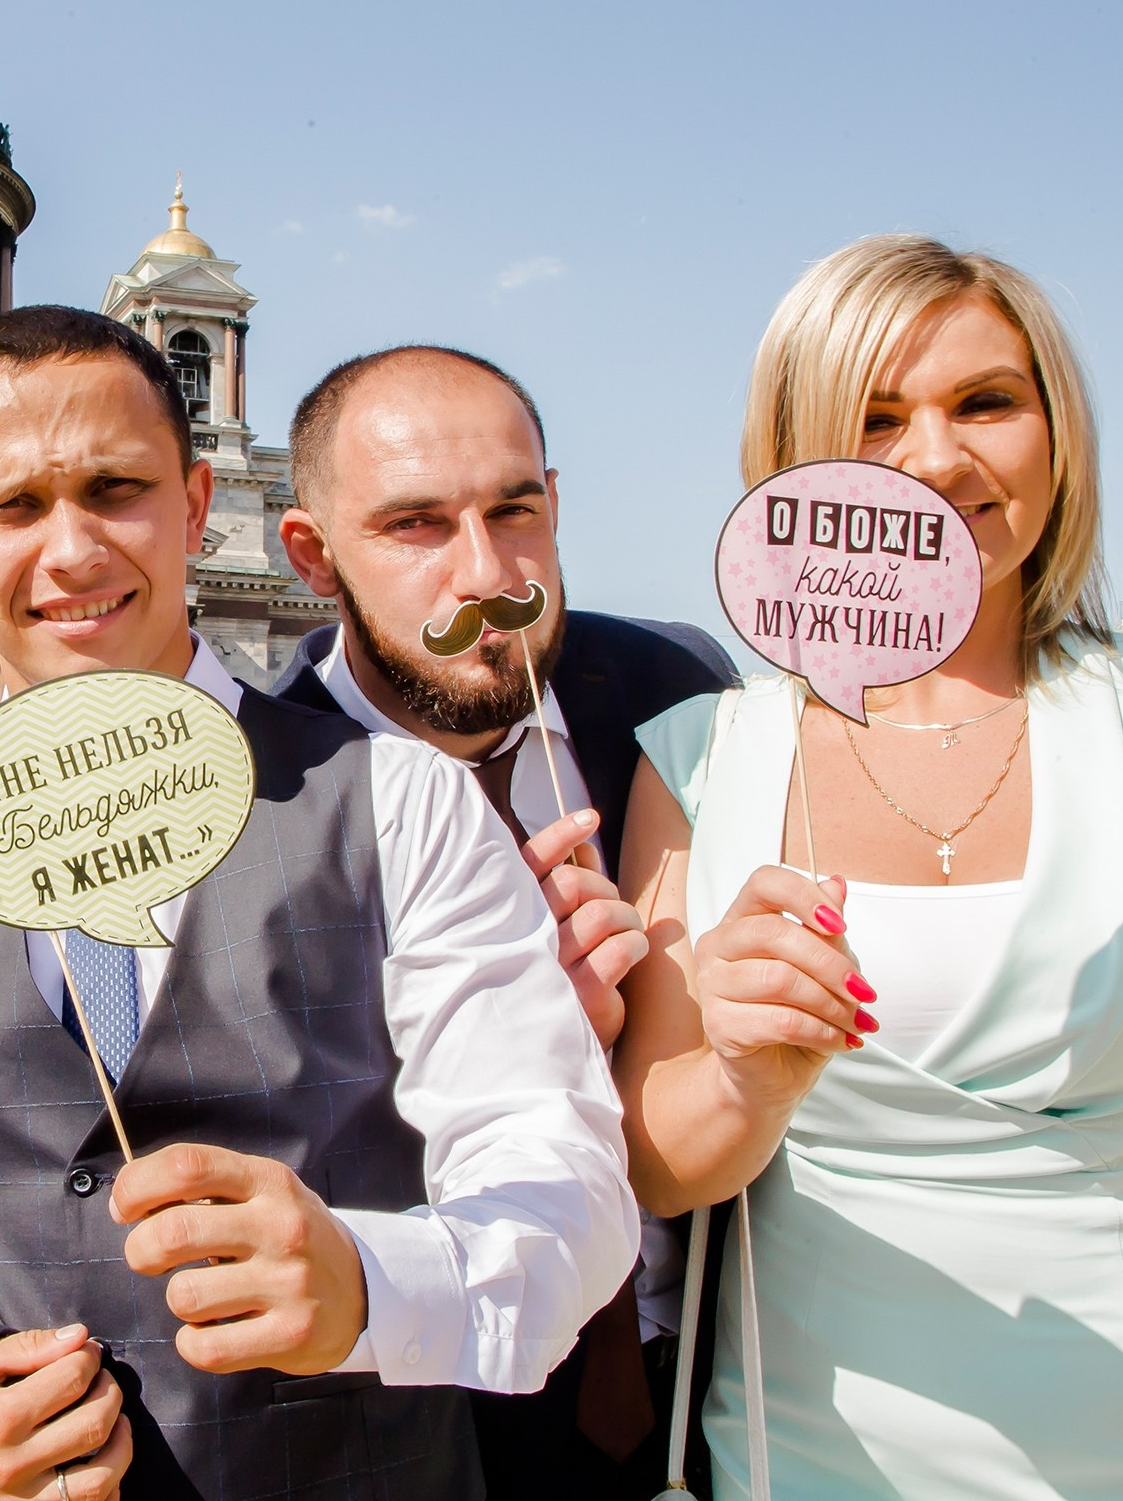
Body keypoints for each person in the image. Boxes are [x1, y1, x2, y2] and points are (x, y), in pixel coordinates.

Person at [0, 307, 638, 1500]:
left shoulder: (397, 804)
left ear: (198, 504)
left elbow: (558, 1181)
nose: (70, 552)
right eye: (11, 508)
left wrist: (368, 1283)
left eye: (115, 490)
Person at [615, 235, 1123, 1498]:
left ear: (1056, 431)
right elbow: (656, 1163)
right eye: (873, 416)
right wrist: (742, 1073)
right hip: (821, 1455)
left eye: (985, 403)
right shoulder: (703, 756)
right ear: (789, 459)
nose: (935, 460)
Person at [271, 345, 735, 1497]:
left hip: (711, 1383)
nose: (484, 572)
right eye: (416, 527)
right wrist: (511, 1021)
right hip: (432, 1419)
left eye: (514, 512)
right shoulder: (251, 787)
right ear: (312, 557)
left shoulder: (676, 690)